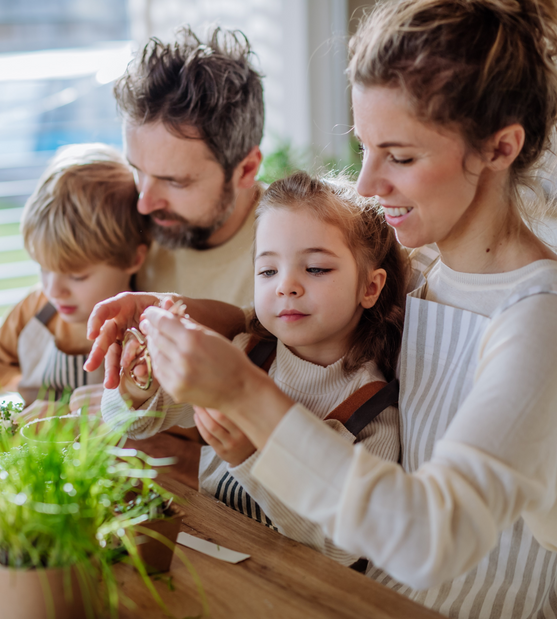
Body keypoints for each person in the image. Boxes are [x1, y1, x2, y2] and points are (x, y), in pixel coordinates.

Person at [87, 0, 557, 617]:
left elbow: (430, 540)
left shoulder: (537, 319)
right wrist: (185, 316)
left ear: (500, 148)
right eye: (364, 147)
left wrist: (242, 394)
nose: (365, 184)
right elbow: (301, 326)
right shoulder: (424, 277)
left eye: (402, 156)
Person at [101, 170, 407, 566]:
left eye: (315, 268)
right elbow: (131, 424)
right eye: (268, 271)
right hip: (210, 566)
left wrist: (250, 457)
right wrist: (140, 382)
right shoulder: (244, 355)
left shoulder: (371, 410)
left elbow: (344, 548)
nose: (286, 286)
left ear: (370, 287)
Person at [0, 143, 149, 411]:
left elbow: (150, 417)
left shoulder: (144, 331)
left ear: (132, 259)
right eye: (44, 269)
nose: (54, 290)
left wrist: (62, 415)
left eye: (77, 276)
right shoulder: (37, 309)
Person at [115, 26, 264, 308]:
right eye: (137, 170)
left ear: (246, 169)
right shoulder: (122, 223)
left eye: (175, 182)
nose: (143, 205)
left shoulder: (297, 262)